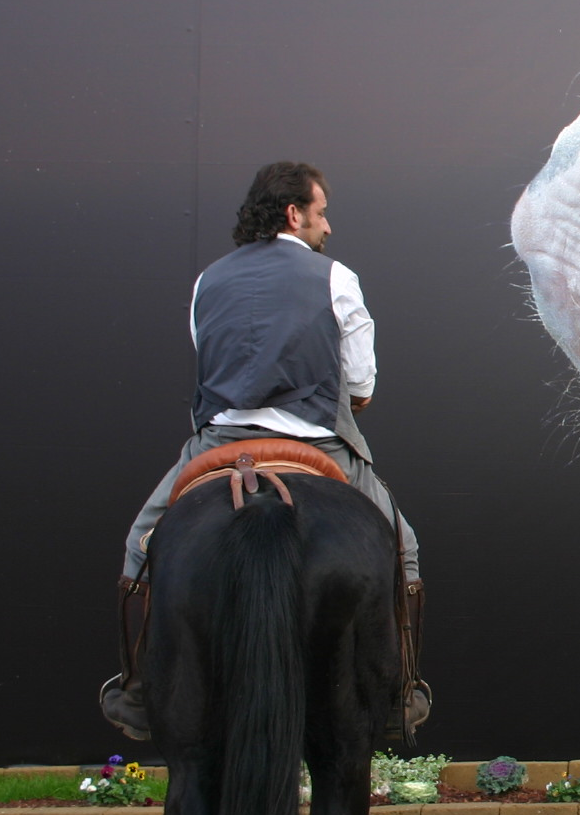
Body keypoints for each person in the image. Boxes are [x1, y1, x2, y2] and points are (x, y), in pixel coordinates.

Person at [98, 162, 430, 742]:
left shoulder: (208, 281)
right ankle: (402, 688)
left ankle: (140, 686)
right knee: (403, 545)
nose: (328, 226)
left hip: (221, 441)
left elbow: (209, 358)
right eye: (322, 213)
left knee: (142, 545)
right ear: (294, 213)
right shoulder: (336, 278)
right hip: (315, 440)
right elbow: (361, 385)